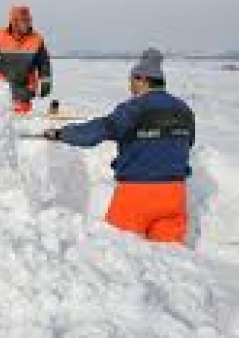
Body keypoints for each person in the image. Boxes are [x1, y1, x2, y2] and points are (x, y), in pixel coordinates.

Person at [43, 48, 195, 244]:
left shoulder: (134, 108)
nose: (130, 86)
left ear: (142, 79)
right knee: (169, 261)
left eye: (132, 81)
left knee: (116, 255)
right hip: (175, 195)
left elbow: (99, 130)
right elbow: (187, 144)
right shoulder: (184, 110)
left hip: (137, 194)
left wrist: (61, 133)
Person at [0, 5, 51, 114]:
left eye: (28, 20)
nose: (27, 23)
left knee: (21, 119)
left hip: (25, 89)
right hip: (2, 89)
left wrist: (46, 82)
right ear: (14, 21)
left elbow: (44, 63)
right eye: (23, 21)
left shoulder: (37, 39)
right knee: (0, 117)